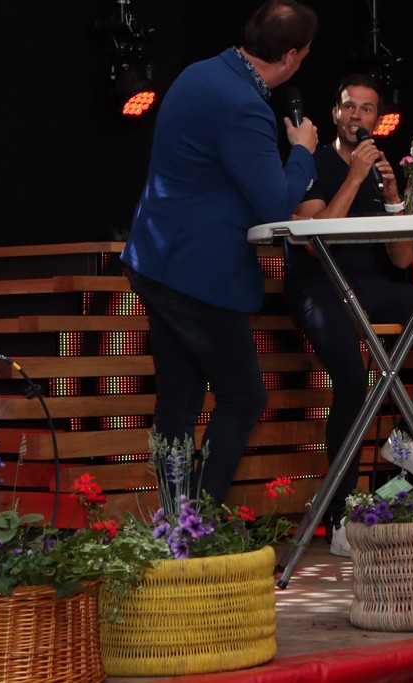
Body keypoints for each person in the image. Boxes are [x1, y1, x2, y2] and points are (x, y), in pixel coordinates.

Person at [120, 0, 319, 506]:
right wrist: (302, 151)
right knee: (244, 395)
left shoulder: (199, 73)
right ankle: (199, 519)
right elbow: (275, 200)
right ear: (290, 56)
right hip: (196, 272)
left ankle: (177, 525)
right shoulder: (244, 105)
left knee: (180, 399)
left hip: (157, 260)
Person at [283, 75, 413, 557]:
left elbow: (400, 258)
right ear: (335, 113)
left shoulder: (380, 168)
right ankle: (339, 517)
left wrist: (393, 196)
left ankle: (407, 435)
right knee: (353, 381)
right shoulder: (313, 162)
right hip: (321, 283)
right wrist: (355, 177)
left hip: (371, 284)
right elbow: (316, 242)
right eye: (349, 107)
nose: (357, 116)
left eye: (367, 109)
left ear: (377, 118)